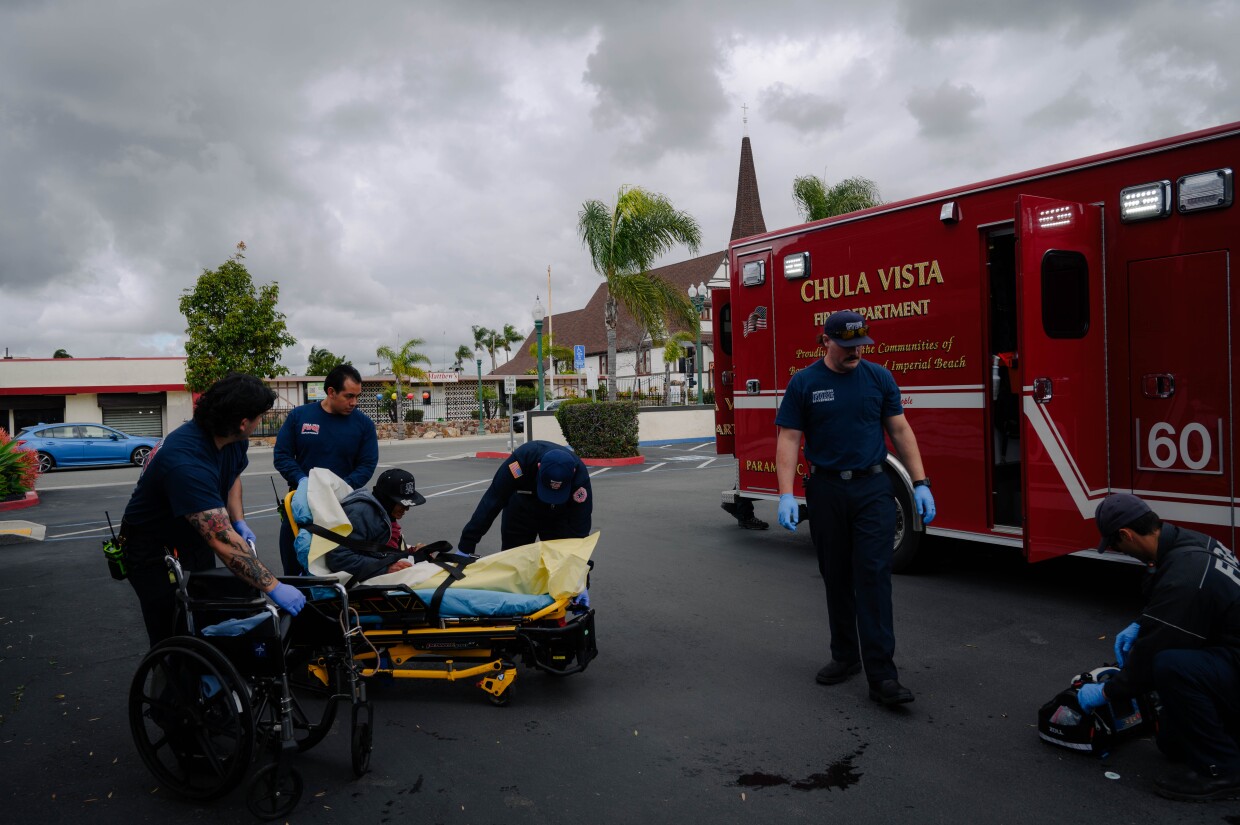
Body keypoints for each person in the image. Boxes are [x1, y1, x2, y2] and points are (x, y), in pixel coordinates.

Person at [774, 310, 935, 706]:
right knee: (836, 576)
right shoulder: (805, 383)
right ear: (824, 341)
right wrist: (786, 493)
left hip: (872, 490)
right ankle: (845, 657)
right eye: (847, 346)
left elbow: (899, 429)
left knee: (874, 578)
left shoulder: (878, 378)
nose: (855, 353)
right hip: (827, 491)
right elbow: (789, 439)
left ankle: (882, 676)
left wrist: (920, 483)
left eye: (861, 345)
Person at [121, 373, 305, 646]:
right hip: (152, 549)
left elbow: (231, 477)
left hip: (192, 538)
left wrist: (238, 520)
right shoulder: (186, 461)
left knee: (204, 613)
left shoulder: (233, 438)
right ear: (243, 423)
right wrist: (273, 587)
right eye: (259, 418)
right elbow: (223, 542)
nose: (260, 422)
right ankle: (172, 680)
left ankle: (205, 673)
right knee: (173, 628)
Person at [1078, 493, 1240, 802]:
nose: (1118, 550)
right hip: (1229, 649)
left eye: (1114, 545)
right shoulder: (1190, 541)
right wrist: (1142, 622)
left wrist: (1108, 692)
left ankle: (1225, 770)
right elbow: (1177, 606)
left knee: (1170, 666)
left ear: (1125, 535)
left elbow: (1152, 654)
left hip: (1234, 659)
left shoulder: (1185, 575)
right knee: (1171, 743)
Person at [274, 363, 379, 574]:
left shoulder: (364, 424)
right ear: (331, 392)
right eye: (349, 396)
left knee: (333, 572)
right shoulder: (299, 417)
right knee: (294, 570)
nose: (354, 403)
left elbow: (367, 464)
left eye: (357, 396)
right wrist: (304, 483)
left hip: (341, 510)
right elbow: (282, 456)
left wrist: (341, 488)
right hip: (300, 509)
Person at [458, 440, 591, 555]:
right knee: (514, 564)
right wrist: (467, 544)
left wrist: (582, 569)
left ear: (572, 473)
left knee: (560, 562)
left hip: (556, 514)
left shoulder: (579, 475)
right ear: (539, 467)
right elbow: (493, 500)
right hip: (521, 508)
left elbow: (580, 524)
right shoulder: (521, 462)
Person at [324, 468, 428, 581]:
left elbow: (382, 549)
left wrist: (413, 553)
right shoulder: (360, 513)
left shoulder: (384, 513)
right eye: (401, 503)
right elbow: (339, 558)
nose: (406, 509)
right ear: (387, 499)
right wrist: (385, 568)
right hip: (360, 580)